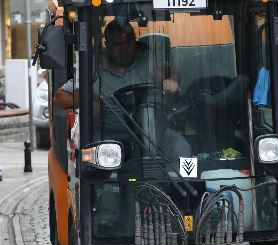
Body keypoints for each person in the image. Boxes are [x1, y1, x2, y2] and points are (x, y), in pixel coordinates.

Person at [52, 19, 187, 161]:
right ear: (107, 45)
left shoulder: (146, 60)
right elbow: (59, 99)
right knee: (94, 157)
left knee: (180, 146)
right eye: (116, 44)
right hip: (109, 133)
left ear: (135, 42)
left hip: (153, 132)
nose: (124, 50)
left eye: (128, 42)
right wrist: (86, 103)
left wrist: (170, 80)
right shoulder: (92, 67)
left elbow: (168, 71)